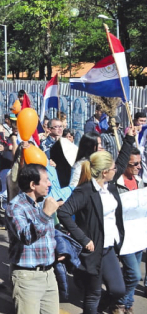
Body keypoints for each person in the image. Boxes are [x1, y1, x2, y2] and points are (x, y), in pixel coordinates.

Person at [57, 130, 134, 314]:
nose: (117, 171)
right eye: (113, 169)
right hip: (92, 249)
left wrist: (129, 139)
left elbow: (122, 163)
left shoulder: (108, 184)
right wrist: (83, 239)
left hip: (108, 248)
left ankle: (83, 281)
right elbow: (64, 212)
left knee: (118, 289)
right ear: (105, 172)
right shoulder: (85, 191)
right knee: (94, 294)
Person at [5, 164, 63, 314]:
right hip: (27, 278)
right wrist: (45, 215)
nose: (49, 183)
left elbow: (49, 235)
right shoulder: (15, 207)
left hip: (49, 275)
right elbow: (27, 237)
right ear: (32, 185)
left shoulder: (44, 202)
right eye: (46, 180)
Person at [113, 148, 143, 313]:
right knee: (134, 274)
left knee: (131, 271)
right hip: (123, 235)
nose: (139, 167)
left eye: (139, 163)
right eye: (134, 164)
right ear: (125, 164)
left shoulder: (139, 182)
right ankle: (119, 301)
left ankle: (128, 304)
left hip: (138, 234)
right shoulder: (116, 184)